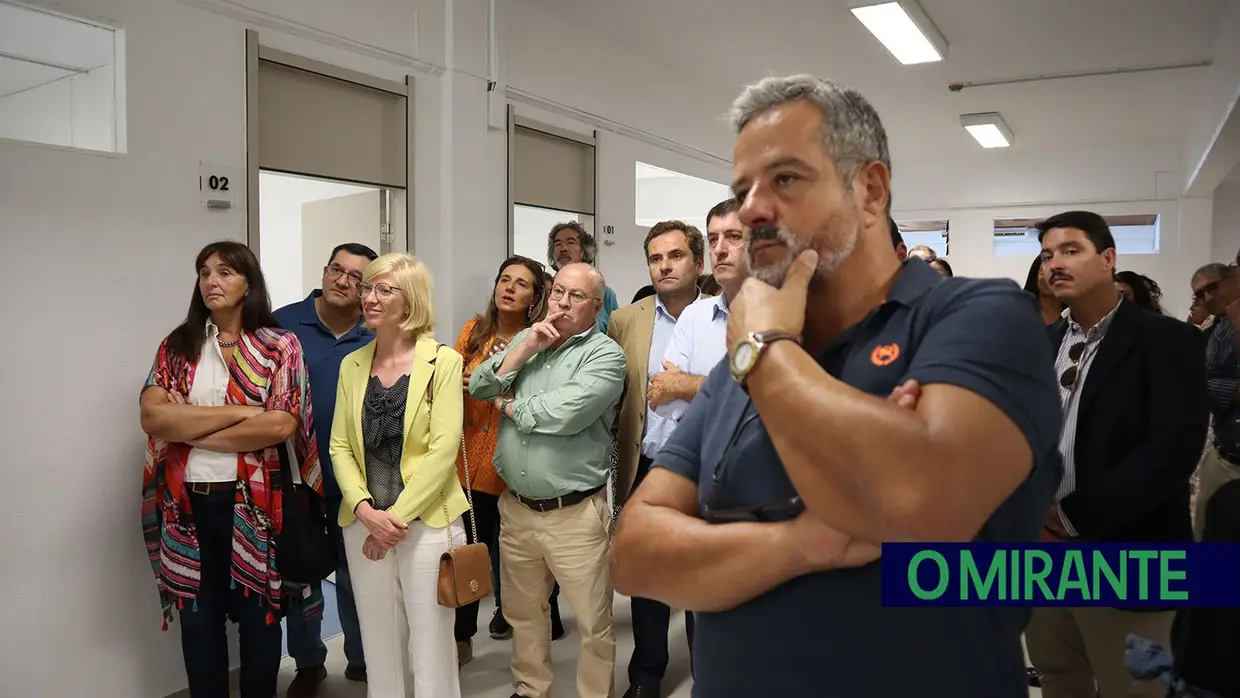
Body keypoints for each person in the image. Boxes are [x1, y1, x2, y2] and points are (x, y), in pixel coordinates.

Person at [609, 74, 1064, 697]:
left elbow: (919, 505)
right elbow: (634, 552)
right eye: (743, 190)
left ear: (871, 190)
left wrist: (768, 354)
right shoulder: (737, 373)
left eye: (786, 179)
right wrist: (801, 543)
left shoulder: (978, 317)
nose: (754, 209)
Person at [1027, 211, 1207, 698]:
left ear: (1108, 259)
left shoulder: (1169, 342)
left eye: (1070, 250)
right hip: (1040, 553)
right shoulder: (1036, 346)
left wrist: (1068, 518)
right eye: (1047, 255)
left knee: (1131, 688)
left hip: (1126, 549)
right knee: (1058, 676)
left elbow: (1171, 453)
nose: (1054, 264)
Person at [139, 240, 322, 698]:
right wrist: (244, 413)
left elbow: (280, 423)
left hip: (253, 506)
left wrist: (190, 430)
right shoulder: (178, 347)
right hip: (185, 507)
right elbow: (153, 418)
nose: (211, 281)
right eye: (204, 273)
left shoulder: (279, 346)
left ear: (248, 283)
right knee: (198, 623)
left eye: (224, 272)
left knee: (258, 620)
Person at [470, 263, 626, 698]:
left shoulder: (605, 356)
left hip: (574, 514)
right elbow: (480, 385)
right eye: (558, 291)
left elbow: (565, 414)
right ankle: (530, 687)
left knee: (594, 621)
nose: (561, 302)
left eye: (576, 296)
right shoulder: (529, 338)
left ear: (596, 307)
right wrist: (524, 348)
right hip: (517, 510)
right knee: (524, 613)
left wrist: (510, 407)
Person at [330, 253, 468, 698]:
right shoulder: (351, 364)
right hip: (364, 523)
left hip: (427, 522)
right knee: (379, 643)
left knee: (431, 644)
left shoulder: (443, 361)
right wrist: (366, 511)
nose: (368, 297)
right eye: (367, 288)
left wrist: (394, 520)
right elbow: (340, 446)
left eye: (382, 289)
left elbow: (443, 450)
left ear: (410, 301)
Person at [608, 220, 705, 698]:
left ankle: (709, 672)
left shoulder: (723, 314)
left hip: (709, 469)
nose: (664, 265)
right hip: (647, 466)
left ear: (698, 263)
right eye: (656, 258)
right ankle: (646, 674)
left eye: (676, 256)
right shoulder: (627, 320)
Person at [275, 242, 378, 695]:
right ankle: (308, 663)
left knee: (359, 576)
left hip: (359, 481)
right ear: (324, 270)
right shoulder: (282, 324)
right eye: (338, 270)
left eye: (357, 278)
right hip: (295, 479)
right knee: (300, 576)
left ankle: (361, 660)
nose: (343, 281)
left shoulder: (378, 332)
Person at [452, 255, 559, 660]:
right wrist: (461, 380)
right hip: (466, 463)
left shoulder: (540, 340)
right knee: (469, 552)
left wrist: (497, 375)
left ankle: (529, 632)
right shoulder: (473, 332)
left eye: (521, 283)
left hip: (515, 464)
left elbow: (537, 397)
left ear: (535, 296)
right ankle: (463, 636)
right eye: (504, 279)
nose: (509, 288)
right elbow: (448, 382)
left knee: (521, 562)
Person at [548, 221, 620, 332]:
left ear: (584, 251)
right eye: (558, 244)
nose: (563, 249)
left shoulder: (605, 294)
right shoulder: (544, 287)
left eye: (571, 243)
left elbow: (615, 334)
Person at [1024, 255, 1066, 326]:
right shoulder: (1019, 309)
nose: (1048, 279)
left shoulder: (1073, 313)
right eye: (1043, 272)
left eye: (1058, 274)